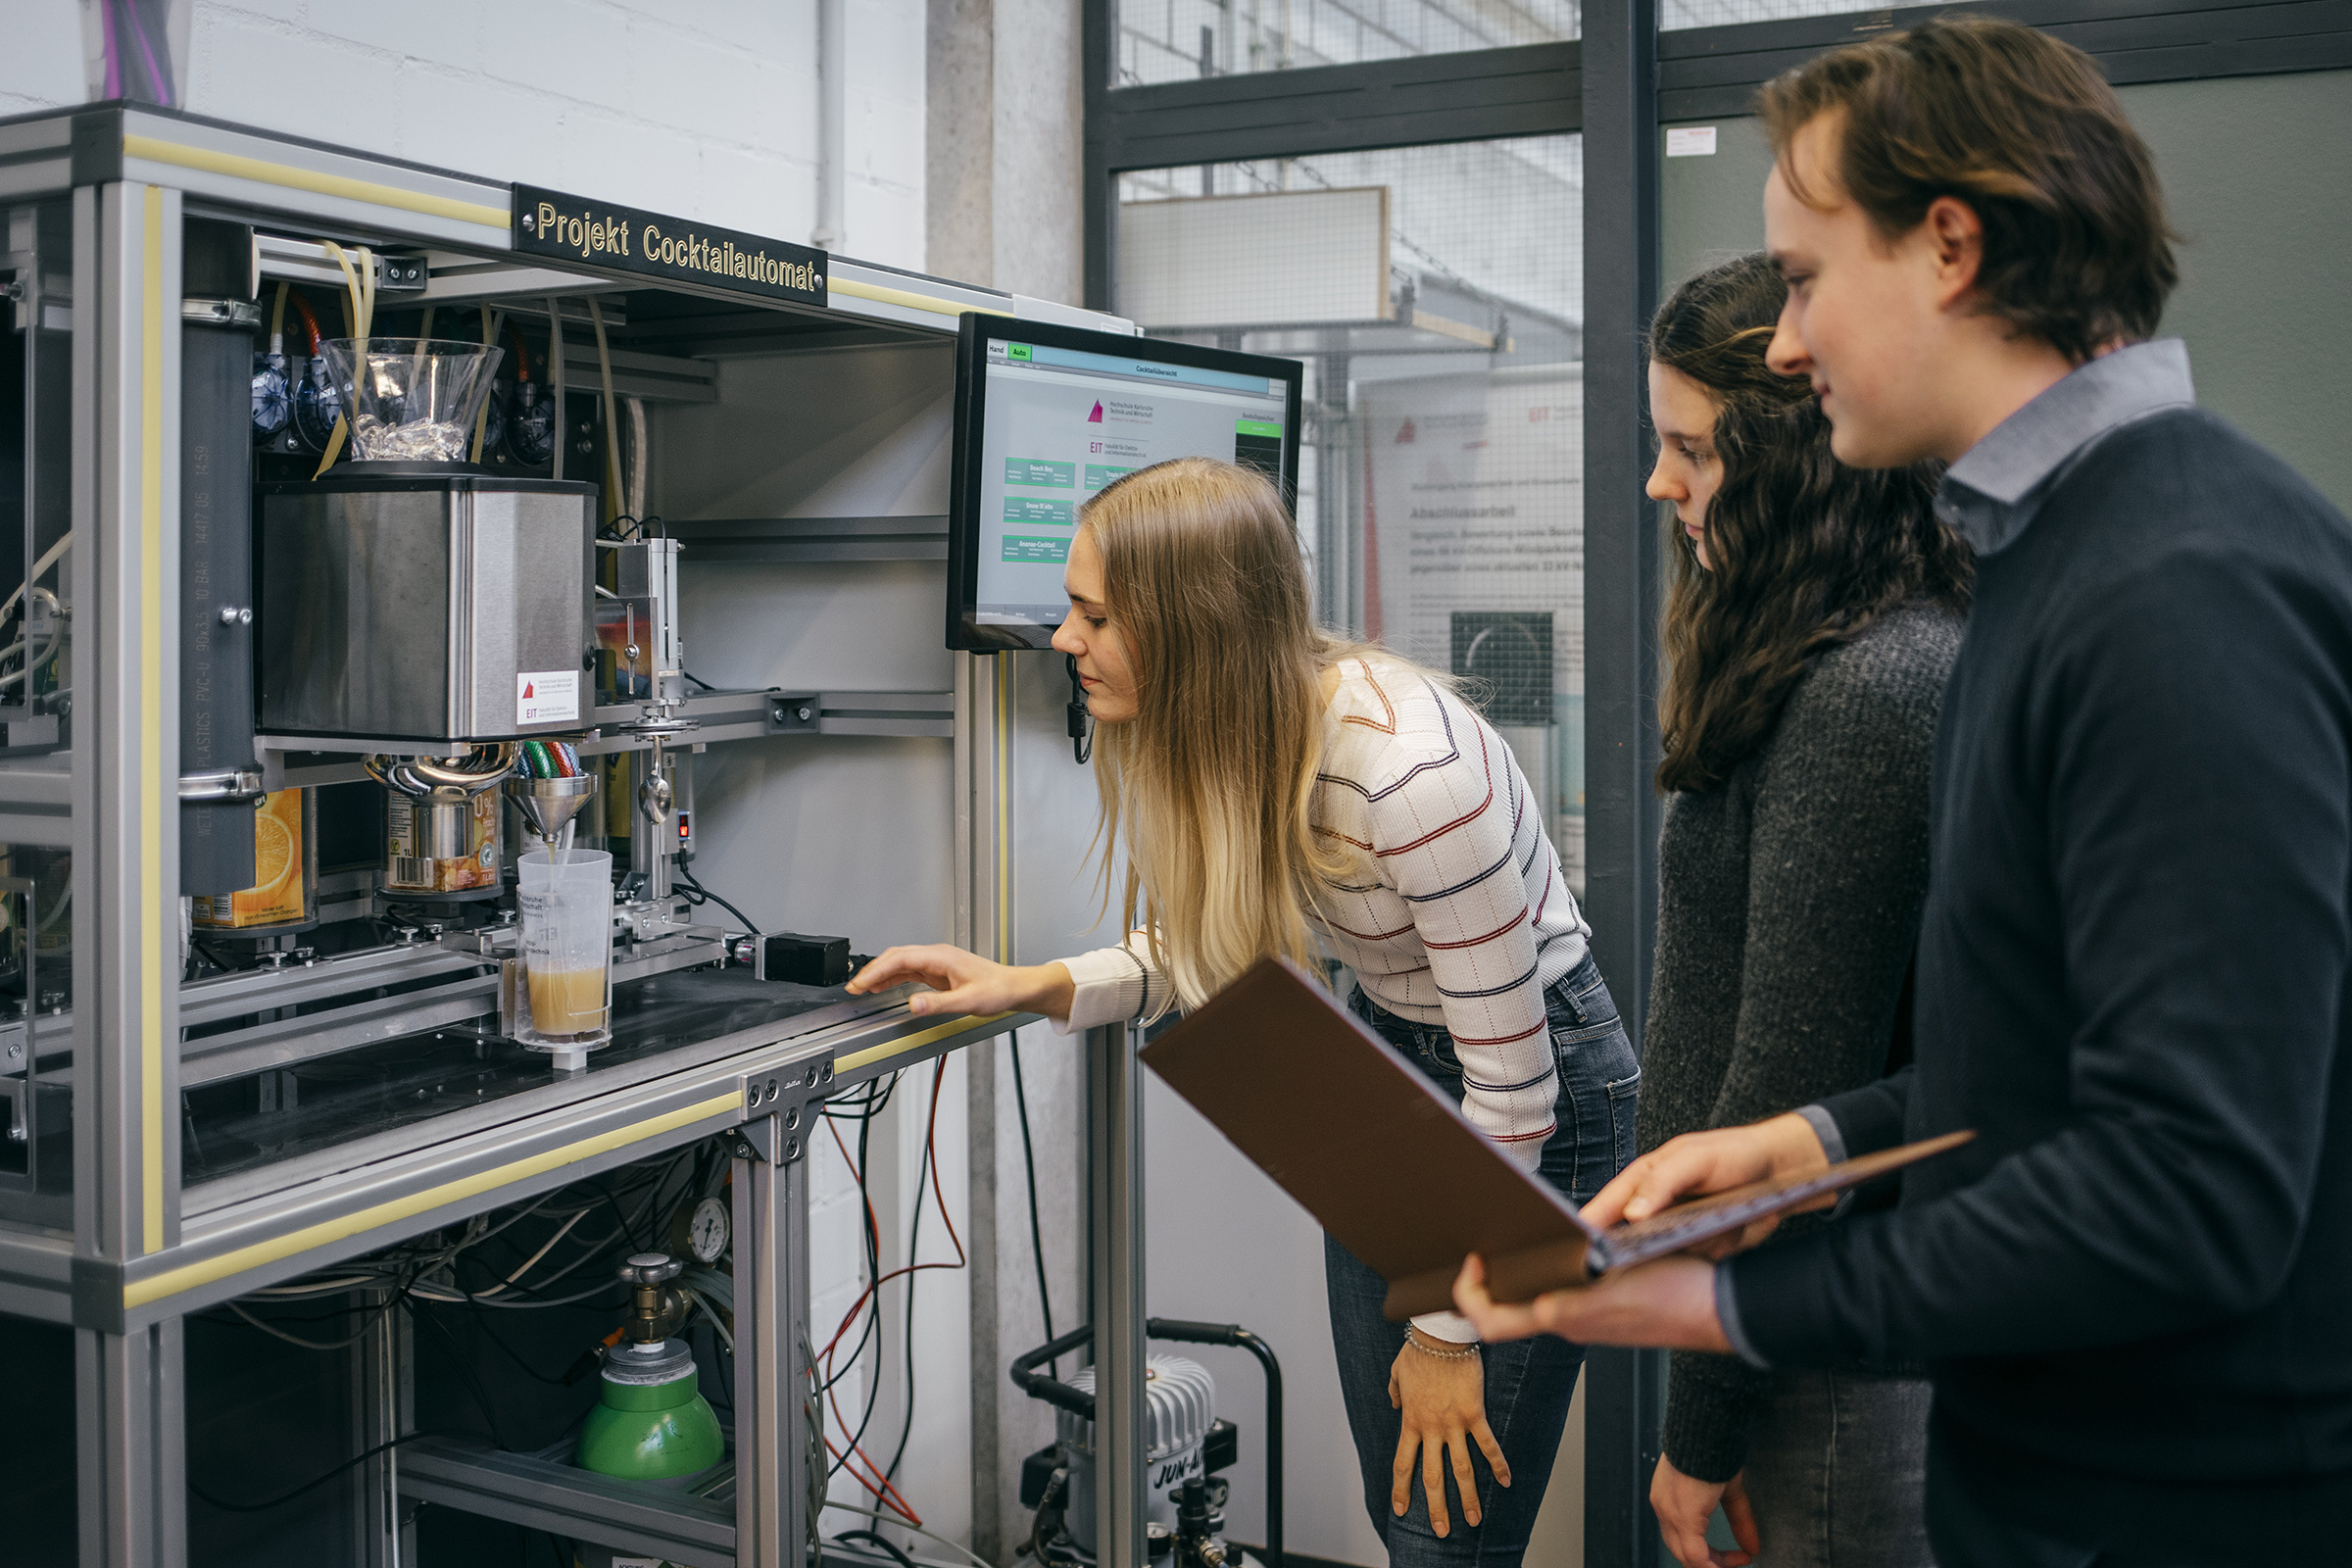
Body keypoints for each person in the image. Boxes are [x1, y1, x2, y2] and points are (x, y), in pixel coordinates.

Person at [1450, 16, 2352, 1565]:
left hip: (2181, 1508)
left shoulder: (2178, 584)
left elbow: (2190, 1186)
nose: (1785, 348)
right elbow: (2059, 1083)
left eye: (1804, 279)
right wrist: (1813, 1145)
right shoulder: (2065, 558)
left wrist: (1731, 1300)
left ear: (1949, 245)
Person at [849, 456, 1638, 1567]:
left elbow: (1514, 1092)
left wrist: (1450, 1333)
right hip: (1403, 1065)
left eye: (1093, 614)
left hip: (1532, 1100)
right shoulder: (1246, 732)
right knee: (1405, 1502)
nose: (1064, 640)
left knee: (1444, 1522)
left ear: (1190, 627)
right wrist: (1031, 985)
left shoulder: (1409, 780)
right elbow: (1211, 938)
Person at [1639, 250, 1969, 1568]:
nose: (1664, 484)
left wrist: (1700, 1427)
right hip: (1791, 1336)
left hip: (1826, 1362)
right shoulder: (1826, 657)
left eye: (1691, 451)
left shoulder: (1866, 694)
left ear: (1788, 460)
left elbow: (1792, 1091)